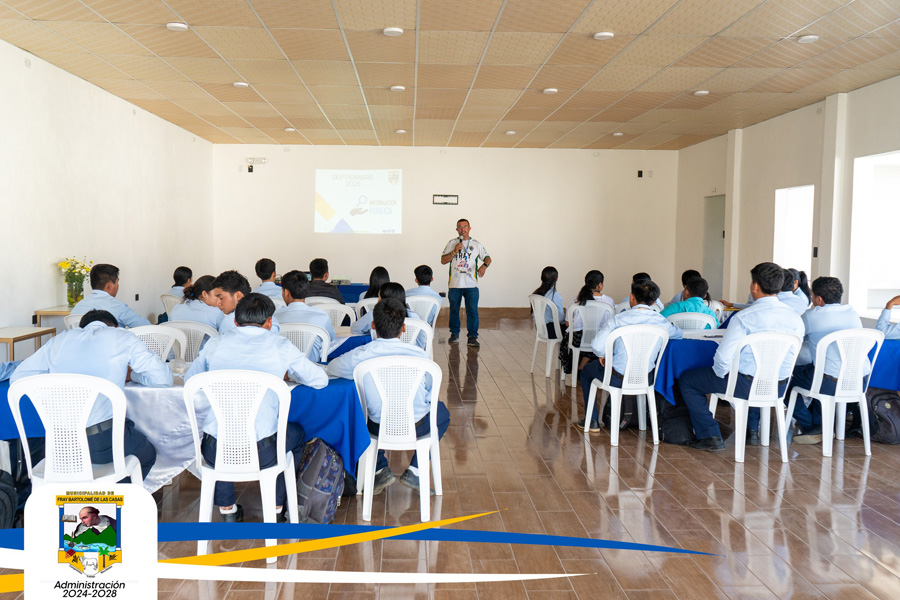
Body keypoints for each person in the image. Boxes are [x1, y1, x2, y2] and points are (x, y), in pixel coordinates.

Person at [185, 293, 328, 522]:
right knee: (297, 434)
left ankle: (227, 509)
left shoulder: (215, 343)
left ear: (235, 321)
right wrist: (289, 374)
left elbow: (190, 381)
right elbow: (320, 380)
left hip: (214, 450)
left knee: (223, 432)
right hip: (263, 451)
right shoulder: (280, 345)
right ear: (269, 322)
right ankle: (276, 506)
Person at [10, 309, 171, 479]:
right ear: (115, 327)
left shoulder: (59, 341)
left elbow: (18, 377)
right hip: (102, 443)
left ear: (81, 328)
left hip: (58, 445)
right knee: (148, 455)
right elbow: (163, 378)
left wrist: (54, 387)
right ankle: (113, 494)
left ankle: (93, 494)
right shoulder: (122, 337)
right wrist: (132, 376)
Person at [326, 298, 449, 495]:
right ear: (404, 328)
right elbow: (429, 393)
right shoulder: (420, 355)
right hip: (417, 426)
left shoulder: (360, 355)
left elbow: (332, 368)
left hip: (377, 427)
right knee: (441, 412)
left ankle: (379, 469)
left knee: (359, 412)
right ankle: (415, 470)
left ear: (373, 326)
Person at [677, 263, 804, 451]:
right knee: (751, 373)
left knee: (688, 380)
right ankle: (749, 431)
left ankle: (710, 435)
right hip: (778, 386)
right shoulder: (795, 319)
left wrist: (721, 375)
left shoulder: (744, 317)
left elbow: (723, 359)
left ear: (755, 286)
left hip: (744, 384)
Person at [579, 279, 682, 431]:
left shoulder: (619, 319)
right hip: (647, 377)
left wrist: (603, 354)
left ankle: (592, 420)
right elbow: (678, 334)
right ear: (654, 302)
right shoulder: (661, 322)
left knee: (586, 372)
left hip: (616, 378)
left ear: (631, 297)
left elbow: (596, 345)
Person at [787, 276, 864, 445]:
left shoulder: (810, 316)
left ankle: (812, 426)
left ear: (819, 299)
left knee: (786, 381)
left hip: (830, 382)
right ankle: (820, 424)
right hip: (859, 379)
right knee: (817, 371)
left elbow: (793, 339)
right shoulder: (852, 312)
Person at [441, 218, 491, 348]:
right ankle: (454, 334)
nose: (463, 229)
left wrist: (484, 266)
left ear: (469, 228)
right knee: (454, 310)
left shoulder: (476, 244)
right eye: (460, 227)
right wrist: (453, 252)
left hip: (471, 285)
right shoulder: (452, 243)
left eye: (465, 226)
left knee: (472, 311)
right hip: (455, 284)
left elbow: (488, 258)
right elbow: (443, 260)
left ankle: (472, 337)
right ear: (457, 229)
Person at [559, 270, 614, 375]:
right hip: (598, 340)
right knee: (600, 337)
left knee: (577, 335)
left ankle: (578, 365)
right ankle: (586, 366)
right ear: (600, 285)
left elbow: (567, 324)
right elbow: (610, 325)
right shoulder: (608, 301)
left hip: (577, 341)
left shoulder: (575, 300)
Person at [274, 270, 336, 362]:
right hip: (313, 366)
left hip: (283, 368)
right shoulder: (322, 316)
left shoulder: (274, 317)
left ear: (286, 292)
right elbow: (331, 338)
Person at [71, 264, 150, 328]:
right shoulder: (118, 307)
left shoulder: (78, 306)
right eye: (117, 282)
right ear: (110, 285)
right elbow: (147, 327)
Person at [351, 282, 422, 345]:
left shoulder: (373, 315)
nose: (378, 299)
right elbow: (421, 342)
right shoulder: (415, 317)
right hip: (409, 355)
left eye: (379, 296)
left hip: (379, 354)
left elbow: (355, 329)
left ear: (384, 300)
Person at [213, 270, 280, 334]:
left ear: (238, 296)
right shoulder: (269, 317)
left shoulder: (229, 321)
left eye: (221, 298)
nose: (218, 303)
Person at [532, 266, 565, 338]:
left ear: (542, 278)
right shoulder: (554, 295)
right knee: (572, 329)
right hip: (551, 331)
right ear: (557, 279)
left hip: (540, 329)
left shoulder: (536, 294)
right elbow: (560, 317)